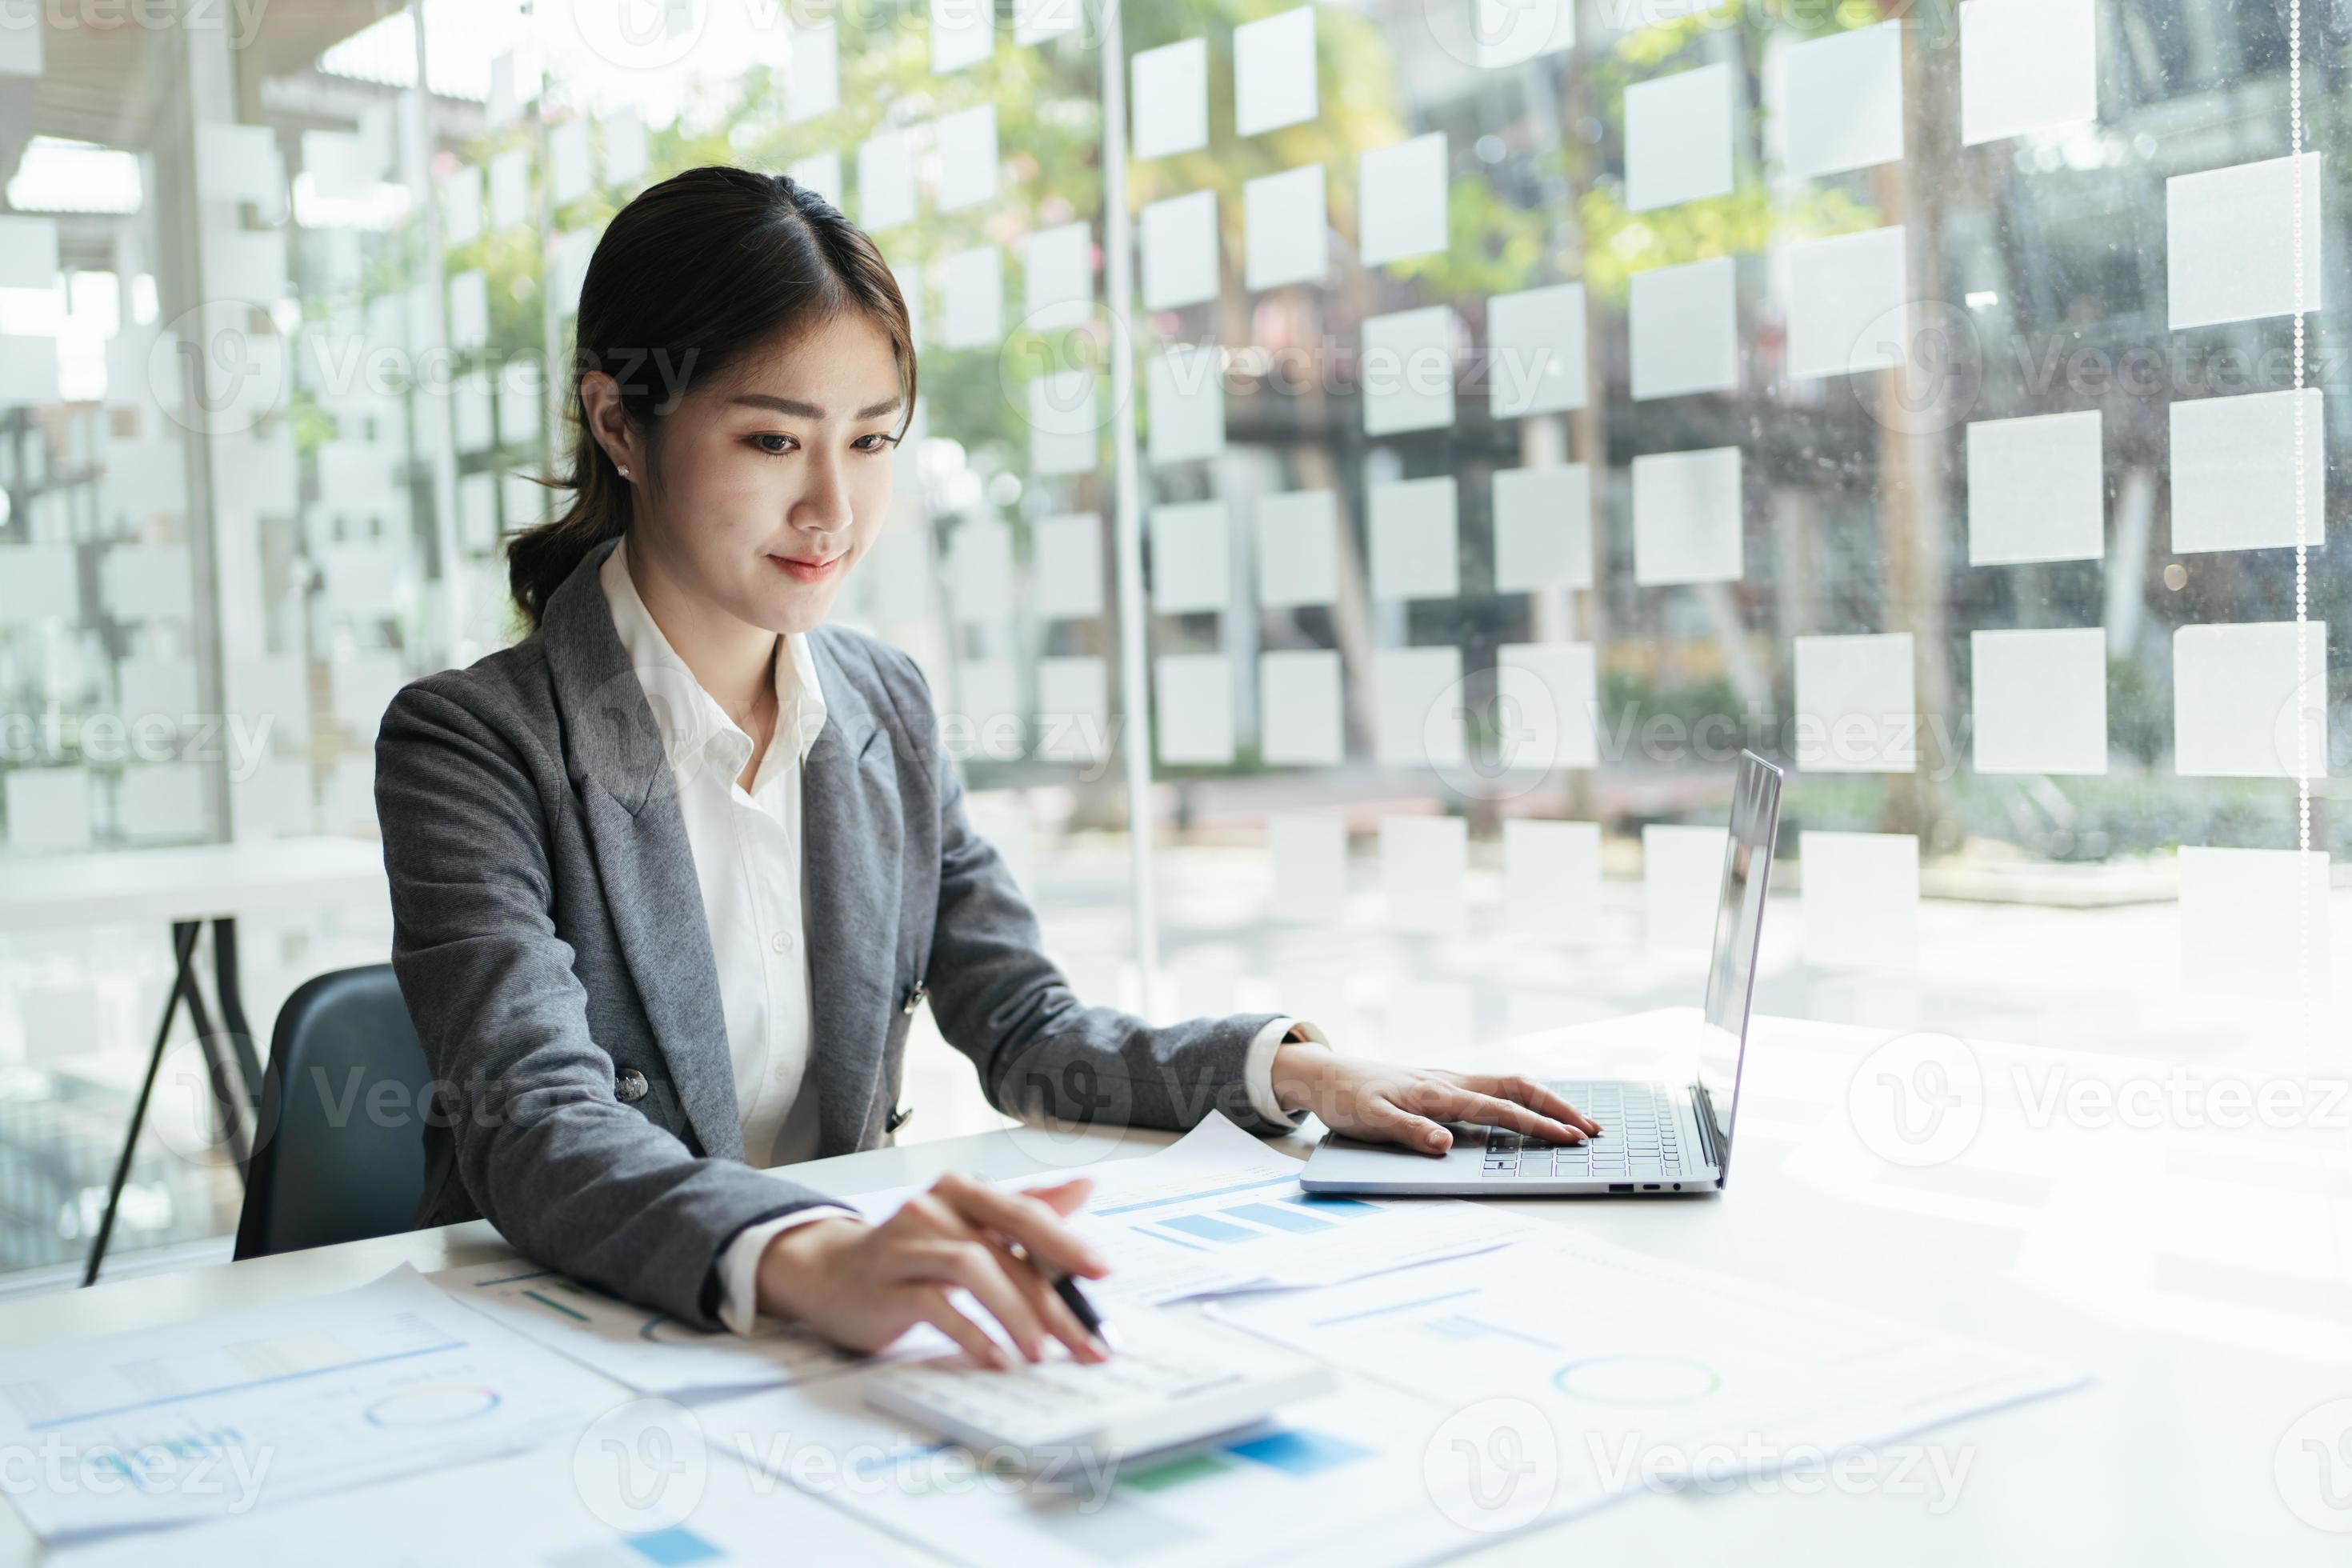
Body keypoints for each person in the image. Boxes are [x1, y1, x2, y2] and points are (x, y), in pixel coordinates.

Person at [374, 166, 1596, 1370]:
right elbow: (539, 1124)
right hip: (577, 1339)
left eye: (869, 441)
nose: (833, 509)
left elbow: (1023, 1026)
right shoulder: (474, 744)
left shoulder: (881, 707)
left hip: (833, 1345)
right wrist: (800, 1254)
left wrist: (1290, 1070)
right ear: (616, 423)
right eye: (770, 438)